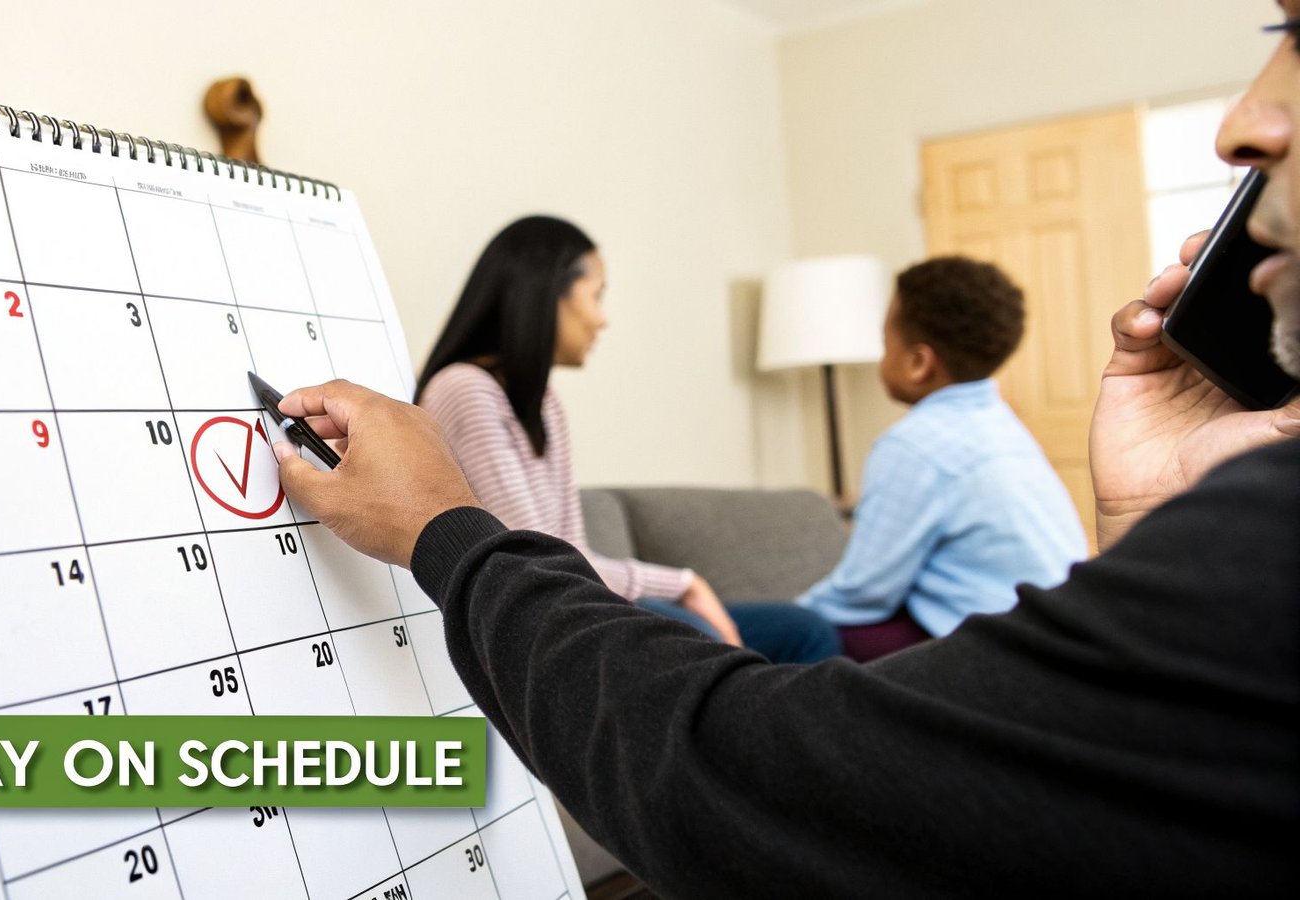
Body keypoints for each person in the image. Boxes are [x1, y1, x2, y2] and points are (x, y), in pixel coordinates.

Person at [266, 4, 1300, 892]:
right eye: (597, 294)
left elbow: (735, 774)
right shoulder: (468, 390)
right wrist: (1159, 537)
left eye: (1293, 33)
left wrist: (458, 533)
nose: (1238, 126)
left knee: (795, 633)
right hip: (557, 600)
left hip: (562, 609)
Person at [415, 215, 840, 662]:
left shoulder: (543, 402)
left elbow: (571, 550)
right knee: (696, 636)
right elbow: (536, 559)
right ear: (548, 294)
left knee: (806, 631)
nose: (602, 320)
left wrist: (682, 586)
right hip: (536, 614)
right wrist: (684, 584)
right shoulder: (466, 389)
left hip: (573, 597)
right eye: (596, 296)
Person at [794, 256, 1087, 661]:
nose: (882, 358)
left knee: (807, 635)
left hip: (1000, 651)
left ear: (919, 363)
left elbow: (866, 592)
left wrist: (789, 618)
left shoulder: (914, 444)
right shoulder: (999, 424)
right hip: (1058, 632)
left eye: (885, 344)